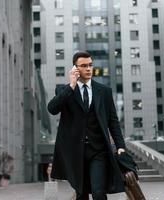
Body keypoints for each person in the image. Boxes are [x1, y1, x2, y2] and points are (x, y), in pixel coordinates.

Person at [47, 51, 126, 200]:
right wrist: (72, 85)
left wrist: (121, 145)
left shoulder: (104, 92)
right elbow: (52, 109)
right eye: (84, 66)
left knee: (98, 192)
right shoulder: (65, 91)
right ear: (75, 69)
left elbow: (113, 121)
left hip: (99, 150)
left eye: (90, 65)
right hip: (76, 152)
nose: (89, 69)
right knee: (81, 194)